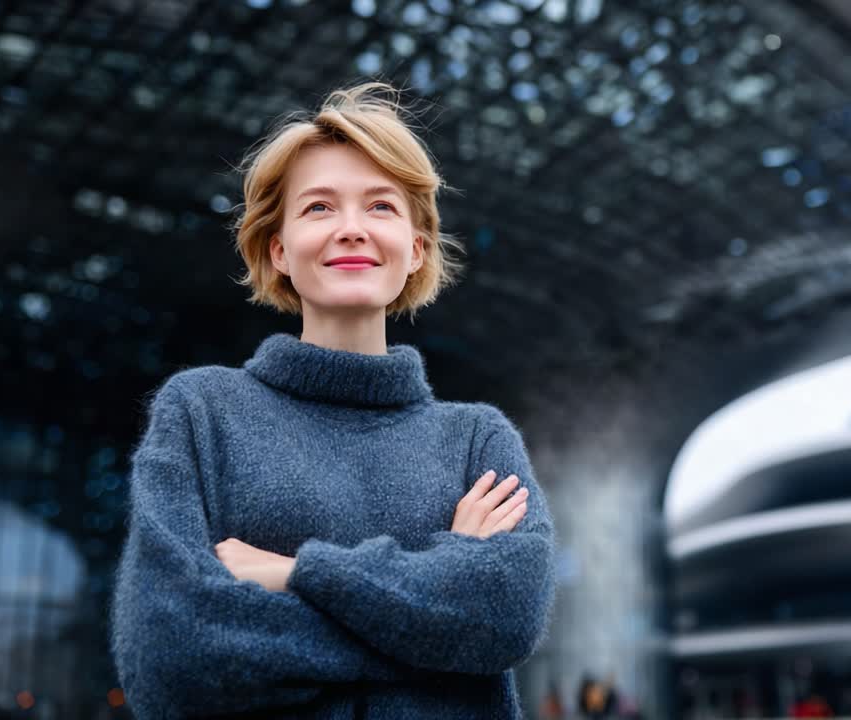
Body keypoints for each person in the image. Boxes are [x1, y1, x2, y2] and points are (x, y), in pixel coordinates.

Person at [108, 82, 557, 718]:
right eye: (319, 208)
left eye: (381, 207)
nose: (351, 229)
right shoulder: (202, 411)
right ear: (279, 249)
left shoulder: (478, 439)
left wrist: (294, 572)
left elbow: (505, 618)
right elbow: (170, 657)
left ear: (416, 250)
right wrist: (437, 612)